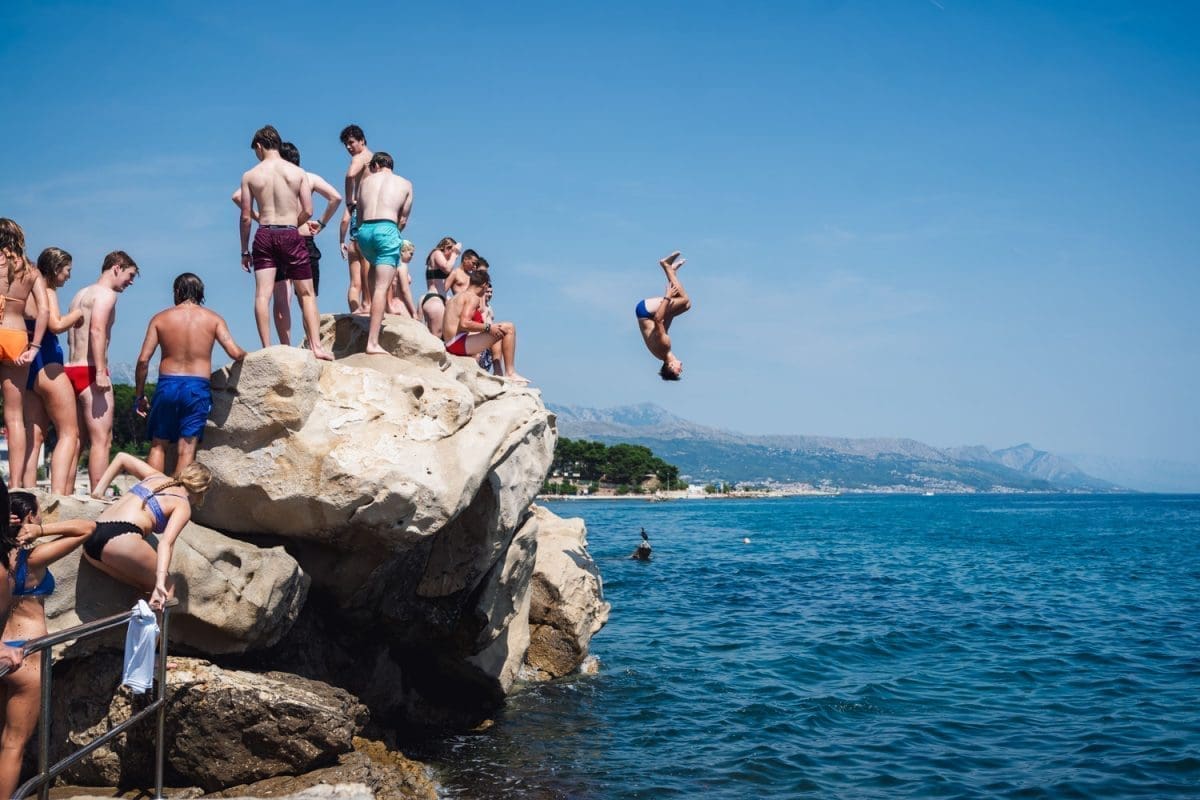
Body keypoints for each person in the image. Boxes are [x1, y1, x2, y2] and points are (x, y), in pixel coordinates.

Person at [0, 491, 95, 799]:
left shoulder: (2, 559)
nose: (41, 519)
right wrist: (40, 532)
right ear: (28, 518)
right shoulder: (33, 558)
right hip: (26, 656)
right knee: (12, 744)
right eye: (38, 515)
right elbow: (87, 528)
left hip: (3, 653)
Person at [134, 273, 247, 474]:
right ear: (201, 293)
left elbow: (143, 361)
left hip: (167, 385)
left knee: (158, 444)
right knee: (186, 449)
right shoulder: (213, 319)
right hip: (197, 388)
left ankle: (152, 498)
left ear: (177, 292)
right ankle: (178, 499)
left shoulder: (160, 318)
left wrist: (140, 395)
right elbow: (235, 352)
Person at [230, 141, 342, 341]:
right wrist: (321, 223)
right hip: (301, 236)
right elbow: (336, 197)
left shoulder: (266, 175)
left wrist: (259, 217)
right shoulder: (307, 177)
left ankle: (285, 345)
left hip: (272, 236)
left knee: (281, 298)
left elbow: (237, 197)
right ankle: (313, 344)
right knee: (307, 297)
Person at [85, 453, 212, 611]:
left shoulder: (156, 477)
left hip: (91, 539)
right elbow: (166, 543)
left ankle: (136, 628)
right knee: (167, 586)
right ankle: (154, 636)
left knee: (144, 586)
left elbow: (121, 457)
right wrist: (161, 581)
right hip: (121, 538)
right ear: (202, 490)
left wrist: (98, 492)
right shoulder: (182, 504)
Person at [65, 250, 139, 491]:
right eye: (130, 275)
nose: (130, 282)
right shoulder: (106, 295)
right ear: (116, 267)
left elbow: (71, 337)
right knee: (102, 440)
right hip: (90, 370)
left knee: (74, 439)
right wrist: (100, 371)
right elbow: (97, 331)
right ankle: (98, 494)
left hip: (71, 368)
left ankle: (64, 492)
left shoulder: (79, 294)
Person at [21, 247, 83, 495]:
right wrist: (77, 314)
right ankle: (58, 496)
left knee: (33, 437)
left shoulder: (24, 293)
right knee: (69, 432)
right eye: (67, 270)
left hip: (27, 372)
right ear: (56, 268)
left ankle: (26, 493)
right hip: (48, 364)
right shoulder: (47, 291)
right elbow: (56, 325)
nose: (68, 276)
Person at [0, 220, 49, 487]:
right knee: (14, 417)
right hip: (16, 335)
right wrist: (35, 348)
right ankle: (15, 485)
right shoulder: (30, 270)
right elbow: (43, 310)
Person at [355, 152, 414, 355]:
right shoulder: (405, 183)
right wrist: (392, 233)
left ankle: (371, 309)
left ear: (377, 165)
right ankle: (372, 342)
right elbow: (403, 219)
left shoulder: (365, 182)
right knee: (382, 287)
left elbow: (360, 214)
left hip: (364, 233)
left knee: (373, 269)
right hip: (386, 228)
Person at [442, 271, 528, 383]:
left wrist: (490, 328)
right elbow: (465, 323)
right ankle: (510, 373)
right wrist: (488, 327)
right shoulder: (472, 298)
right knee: (509, 327)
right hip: (457, 344)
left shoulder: (456, 297)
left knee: (497, 329)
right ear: (484, 285)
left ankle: (499, 371)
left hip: (450, 342)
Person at [635, 251, 690, 381]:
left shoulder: (665, 346)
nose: (681, 369)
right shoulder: (662, 353)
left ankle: (666, 265)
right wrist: (672, 308)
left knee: (684, 300)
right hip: (645, 314)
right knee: (685, 306)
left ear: (670, 365)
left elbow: (658, 319)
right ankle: (672, 273)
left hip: (645, 311)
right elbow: (663, 322)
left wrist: (668, 296)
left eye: (678, 371)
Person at [339, 124, 374, 314]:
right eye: (346, 144)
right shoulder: (375, 159)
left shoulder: (359, 158)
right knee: (368, 258)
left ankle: (365, 304)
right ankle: (365, 304)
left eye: (351, 142)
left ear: (362, 140)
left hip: (361, 212)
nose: (348, 147)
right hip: (374, 212)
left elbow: (350, 175)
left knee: (363, 258)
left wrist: (348, 200)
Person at [420, 237, 461, 337]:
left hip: (439, 298)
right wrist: (455, 254)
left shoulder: (441, 258)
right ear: (447, 247)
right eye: (452, 251)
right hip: (434, 298)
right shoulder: (436, 253)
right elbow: (447, 269)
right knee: (436, 338)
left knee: (440, 336)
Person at [387, 240, 418, 318]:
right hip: (399, 303)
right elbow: (405, 290)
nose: (412, 257)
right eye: (411, 253)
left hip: (390, 303)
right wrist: (414, 312)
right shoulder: (402, 266)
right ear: (403, 251)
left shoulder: (391, 265)